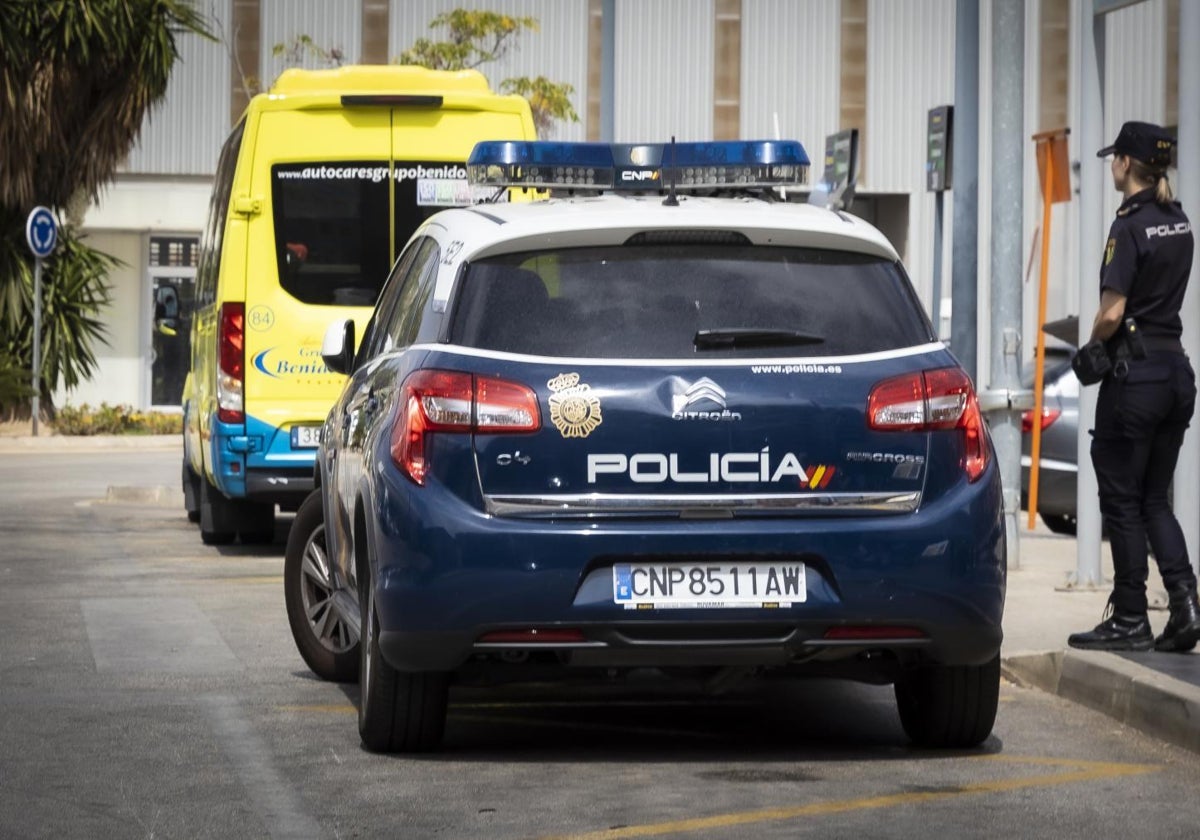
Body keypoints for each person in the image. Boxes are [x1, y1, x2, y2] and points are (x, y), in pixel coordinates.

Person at [1068, 121, 1200, 652]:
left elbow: (1113, 312)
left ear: (1126, 164)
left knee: (1121, 500)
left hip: (1136, 378)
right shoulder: (1179, 220)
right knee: (1155, 500)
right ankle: (1186, 605)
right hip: (1176, 373)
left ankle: (1129, 617)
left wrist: (1091, 345)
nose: (1111, 167)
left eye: (1114, 159)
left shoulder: (1129, 226)